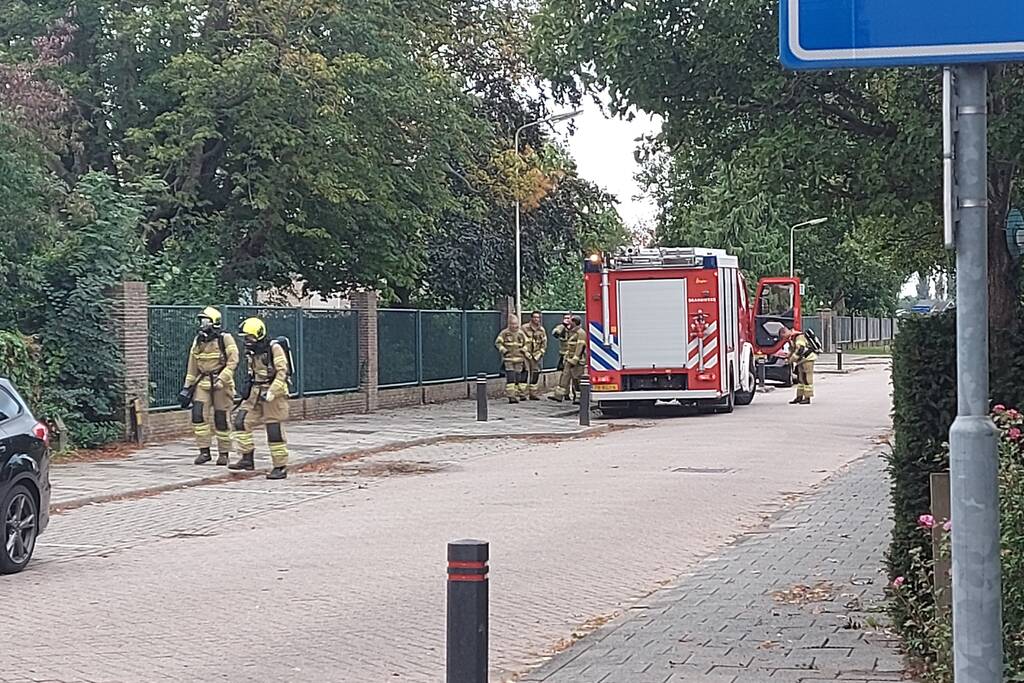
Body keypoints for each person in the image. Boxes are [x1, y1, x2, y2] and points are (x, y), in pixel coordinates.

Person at [229, 317, 291, 479]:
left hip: (273, 395)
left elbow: (282, 372)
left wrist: (272, 391)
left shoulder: (274, 348)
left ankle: (280, 467)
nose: (247, 341)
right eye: (245, 338)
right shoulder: (252, 352)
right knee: (241, 421)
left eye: (249, 337)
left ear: (259, 334)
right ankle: (247, 459)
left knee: (274, 430)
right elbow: (252, 373)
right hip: (255, 393)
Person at [178, 307, 239, 466]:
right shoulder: (198, 340)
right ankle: (204, 451)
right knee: (198, 415)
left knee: (221, 418)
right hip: (202, 382)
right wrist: (187, 387)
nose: (202, 324)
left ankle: (224, 453)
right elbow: (192, 366)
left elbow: (233, 361)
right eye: (201, 321)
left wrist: (223, 378)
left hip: (221, 384)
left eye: (205, 321)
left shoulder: (225, 339)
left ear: (214, 322)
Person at [549, 316, 586, 403]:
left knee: (576, 379)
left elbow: (580, 347)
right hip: (568, 359)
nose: (569, 323)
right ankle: (558, 396)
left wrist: (575, 359)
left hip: (577, 361)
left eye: (571, 321)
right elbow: (556, 334)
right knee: (564, 377)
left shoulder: (581, 333)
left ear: (575, 322)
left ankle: (578, 398)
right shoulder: (571, 331)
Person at [495, 315, 528, 404]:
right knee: (511, 377)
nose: (514, 326)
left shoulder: (521, 333)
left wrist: (524, 349)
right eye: (512, 324)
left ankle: (516, 394)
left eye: (515, 324)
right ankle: (511, 396)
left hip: (519, 360)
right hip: (508, 359)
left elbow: (527, 343)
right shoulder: (504, 333)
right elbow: (498, 343)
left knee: (517, 377)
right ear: (509, 324)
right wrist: (503, 350)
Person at [780, 325, 816, 404]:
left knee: (807, 379)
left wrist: (791, 359)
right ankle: (799, 396)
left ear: (785, 332)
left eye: (783, 336)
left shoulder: (799, 336)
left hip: (808, 359)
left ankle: (807, 397)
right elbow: (792, 349)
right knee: (801, 379)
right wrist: (788, 357)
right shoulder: (792, 338)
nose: (784, 338)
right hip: (801, 360)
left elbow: (800, 349)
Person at [522, 311, 548, 401]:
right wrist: (525, 352)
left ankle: (533, 394)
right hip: (526, 354)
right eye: (535, 317)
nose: (536, 319)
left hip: (536, 355)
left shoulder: (541, 330)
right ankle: (522, 394)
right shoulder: (524, 328)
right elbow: (520, 341)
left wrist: (540, 353)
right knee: (524, 372)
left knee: (535, 373)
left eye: (538, 317)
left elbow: (544, 343)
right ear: (531, 318)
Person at [551, 313, 575, 401]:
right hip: (563, 355)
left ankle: (576, 395)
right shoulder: (561, 328)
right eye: (565, 318)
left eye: (568, 318)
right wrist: (563, 327)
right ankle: (565, 394)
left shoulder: (575, 329)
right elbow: (555, 333)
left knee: (574, 376)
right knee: (564, 375)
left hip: (573, 355)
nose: (567, 320)